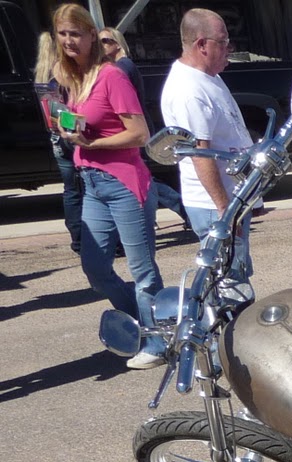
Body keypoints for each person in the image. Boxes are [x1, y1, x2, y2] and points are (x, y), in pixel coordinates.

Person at [50, 3, 164, 368]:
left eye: (76, 33)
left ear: (90, 36)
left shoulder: (111, 75)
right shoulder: (75, 79)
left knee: (142, 269)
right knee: (96, 270)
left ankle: (157, 342)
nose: (69, 40)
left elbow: (140, 133)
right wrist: (71, 130)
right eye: (63, 34)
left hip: (124, 182)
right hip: (92, 184)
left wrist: (93, 144)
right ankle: (142, 323)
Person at [160, 9, 252, 275]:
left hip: (231, 200)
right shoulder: (189, 90)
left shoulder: (209, 77)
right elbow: (202, 155)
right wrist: (225, 210)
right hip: (214, 206)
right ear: (202, 44)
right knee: (228, 284)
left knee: (236, 277)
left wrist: (248, 200)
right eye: (223, 42)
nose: (228, 49)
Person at [98, 26, 185, 225]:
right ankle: (153, 215)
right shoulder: (119, 67)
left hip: (133, 133)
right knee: (141, 177)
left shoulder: (122, 68)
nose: (100, 45)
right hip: (131, 132)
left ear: (118, 44)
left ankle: (179, 209)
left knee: (144, 179)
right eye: (98, 41)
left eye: (105, 41)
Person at [34, 31, 83, 254]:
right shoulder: (61, 75)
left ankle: (77, 238)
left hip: (54, 135)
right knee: (87, 188)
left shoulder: (41, 76)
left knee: (71, 189)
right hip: (70, 134)